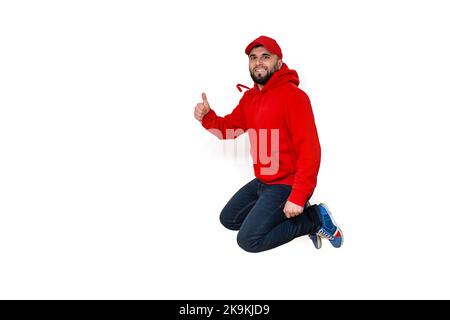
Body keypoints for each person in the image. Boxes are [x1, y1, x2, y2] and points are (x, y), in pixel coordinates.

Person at [194, 35, 343, 252]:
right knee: (230, 219)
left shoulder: (294, 97)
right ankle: (296, 215)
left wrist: (298, 196)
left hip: (288, 182)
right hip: (264, 181)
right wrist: (207, 117)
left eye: (266, 56)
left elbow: (310, 151)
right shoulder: (250, 99)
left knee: (249, 240)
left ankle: (314, 219)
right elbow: (229, 129)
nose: (258, 62)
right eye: (253, 58)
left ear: (279, 62)